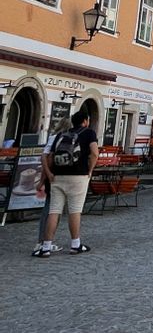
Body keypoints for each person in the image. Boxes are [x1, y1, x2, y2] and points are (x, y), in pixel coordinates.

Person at [38, 109, 98, 257]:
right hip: (78, 177)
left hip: (58, 177)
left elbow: (49, 157)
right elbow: (94, 153)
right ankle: (75, 245)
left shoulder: (61, 134)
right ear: (85, 121)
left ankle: (45, 247)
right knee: (75, 211)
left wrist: (49, 175)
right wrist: (90, 170)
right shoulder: (89, 133)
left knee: (54, 211)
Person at [31, 117, 71, 257]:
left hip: (52, 177)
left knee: (52, 209)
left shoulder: (55, 137)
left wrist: (44, 177)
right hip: (58, 177)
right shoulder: (63, 138)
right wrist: (45, 177)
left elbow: (45, 158)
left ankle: (45, 241)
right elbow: (46, 158)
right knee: (52, 210)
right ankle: (43, 241)